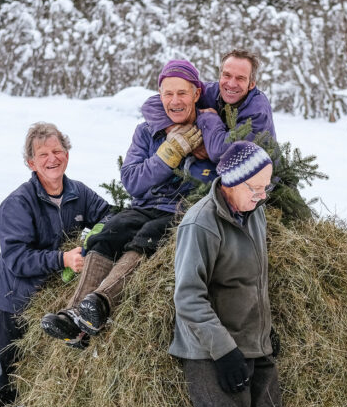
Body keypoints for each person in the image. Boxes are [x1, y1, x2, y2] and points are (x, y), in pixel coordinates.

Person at [41, 59, 217, 344]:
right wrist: (165, 157)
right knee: (110, 233)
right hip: (145, 206)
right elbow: (132, 180)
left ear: (196, 94)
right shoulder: (146, 131)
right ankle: (73, 315)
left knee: (148, 238)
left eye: (182, 93)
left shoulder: (209, 130)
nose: (174, 101)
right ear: (159, 96)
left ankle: (100, 302)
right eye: (168, 94)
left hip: (183, 211)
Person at [0, 123, 109, 407]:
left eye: (57, 151)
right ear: (30, 162)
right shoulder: (17, 204)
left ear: (67, 155)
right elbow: (16, 257)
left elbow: (109, 216)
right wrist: (63, 258)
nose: (52, 159)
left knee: (28, 380)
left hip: (50, 305)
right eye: (42, 154)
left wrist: (98, 238)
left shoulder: (78, 193)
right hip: (11, 303)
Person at [170, 141, 286, 407]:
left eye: (266, 187)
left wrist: (265, 332)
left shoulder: (254, 213)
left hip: (255, 342)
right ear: (230, 183)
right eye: (256, 188)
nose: (263, 195)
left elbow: (256, 282)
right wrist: (223, 351)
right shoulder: (201, 224)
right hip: (213, 350)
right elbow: (188, 296)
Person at [141, 48, 276, 163]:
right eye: (227, 75)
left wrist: (209, 117)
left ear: (252, 84)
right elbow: (151, 105)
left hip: (258, 183)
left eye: (240, 78)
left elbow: (221, 152)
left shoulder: (257, 112)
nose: (231, 84)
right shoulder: (212, 91)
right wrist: (180, 133)